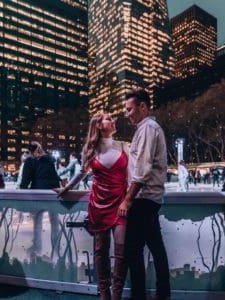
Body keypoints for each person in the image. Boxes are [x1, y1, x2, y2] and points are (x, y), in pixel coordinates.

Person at [55, 112, 128, 300]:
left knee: (121, 251)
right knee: (101, 251)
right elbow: (82, 172)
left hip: (121, 204)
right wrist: (67, 188)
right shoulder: (90, 148)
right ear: (98, 125)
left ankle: (116, 295)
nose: (113, 121)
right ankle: (104, 293)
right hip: (99, 205)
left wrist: (129, 198)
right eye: (108, 119)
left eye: (112, 119)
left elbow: (133, 174)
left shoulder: (124, 146)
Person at [118, 89, 171, 300]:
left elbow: (142, 171)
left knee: (133, 250)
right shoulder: (145, 128)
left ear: (143, 107)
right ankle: (163, 293)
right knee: (156, 248)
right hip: (150, 198)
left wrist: (128, 199)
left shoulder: (148, 128)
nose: (126, 114)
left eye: (129, 109)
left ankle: (139, 295)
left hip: (144, 199)